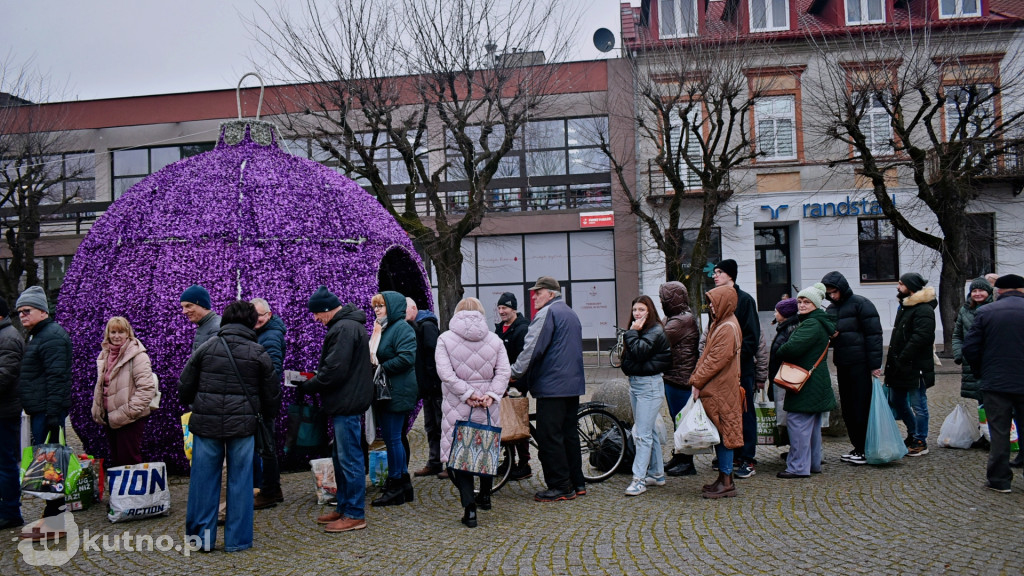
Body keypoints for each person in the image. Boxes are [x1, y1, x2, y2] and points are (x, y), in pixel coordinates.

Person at [178, 300, 280, 552]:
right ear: (251, 322)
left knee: (203, 481)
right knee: (241, 483)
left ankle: (201, 539)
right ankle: (238, 540)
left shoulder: (207, 347)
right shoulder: (258, 352)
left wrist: (199, 403)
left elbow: (184, 386)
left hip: (206, 424)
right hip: (243, 427)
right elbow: (271, 395)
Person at [300, 286, 373, 532]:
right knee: (342, 459)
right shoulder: (348, 326)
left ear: (326, 309)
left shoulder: (344, 328)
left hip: (346, 403)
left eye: (316, 313)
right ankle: (344, 507)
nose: (315, 319)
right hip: (346, 401)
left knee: (349, 460)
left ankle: (354, 513)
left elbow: (335, 370)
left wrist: (311, 384)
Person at [435, 297, 511, 527]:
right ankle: (485, 496)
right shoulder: (495, 339)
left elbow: (446, 374)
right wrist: (492, 394)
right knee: (485, 447)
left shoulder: (445, 339)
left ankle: (469, 510)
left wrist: (467, 393)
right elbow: (504, 372)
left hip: (458, 404)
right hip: (488, 405)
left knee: (461, 455)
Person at [510, 276, 586, 502]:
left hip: (552, 387)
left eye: (538, 292)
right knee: (569, 434)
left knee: (550, 437)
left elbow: (532, 349)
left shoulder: (547, 313)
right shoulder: (570, 313)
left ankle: (560, 486)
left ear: (551, 294)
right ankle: (577, 483)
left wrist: (514, 373)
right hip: (571, 385)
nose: (534, 297)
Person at [16, 286, 72, 541]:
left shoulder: (51, 336)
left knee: (52, 468)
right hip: (41, 410)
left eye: (26, 310)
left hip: (48, 412)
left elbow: (57, 377)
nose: (22, 315)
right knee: (48, 467)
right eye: (19, 312)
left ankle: (55, 521)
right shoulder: (39, 335)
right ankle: (51, 517)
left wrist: (52, 415)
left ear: (42, 311)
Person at [963, 274, 1024, 492]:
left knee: (999, 432)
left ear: (998, 291)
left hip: (995, 382)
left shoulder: (986, 312)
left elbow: (970, 347)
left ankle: (1000, 480)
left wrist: (981, 372)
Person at [821, 271, 883, 466]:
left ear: (842, 288)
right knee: (848, 408)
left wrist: (875, 365)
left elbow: (874, 335)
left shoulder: (861, 304)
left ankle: (864, 448)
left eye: (834, 292)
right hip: (843, 363)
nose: (832, 296)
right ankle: (857, 446)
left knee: (860, 407)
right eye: (829, 293)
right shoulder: (831, 309)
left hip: (860, 364)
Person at [775, 284, 837, 478]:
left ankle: (797, 467)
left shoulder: (811, 324)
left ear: (816, 304)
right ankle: (812, 464)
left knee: (798, 424)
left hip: (805, 383)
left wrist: (783, 347)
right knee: (811, 428)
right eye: (800, 301)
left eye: (807, 302)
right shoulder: (818, 321)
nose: (801, 305)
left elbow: (788, 349)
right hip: (815, 381)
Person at [688, 285, 743, 499]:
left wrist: (696, 381)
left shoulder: (727, 327)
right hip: (720, 388)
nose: (710, 305)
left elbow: (714, 360)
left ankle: (727, 481)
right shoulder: (722, 323)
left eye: (714, 302)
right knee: (721, 434)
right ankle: (723, 478)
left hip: (721, 389)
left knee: (724, 434)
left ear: (724, 303)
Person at [369, 291, 418, 507]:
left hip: (397, 391)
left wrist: (381, 369)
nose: (376, 310)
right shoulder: (383, 328)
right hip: (387, 390)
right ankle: (403, 484)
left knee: (393, 439)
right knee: (392, 438)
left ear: (392, 307)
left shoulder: (401, 328)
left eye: (380, 306)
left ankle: (396, 484)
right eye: (375, 306)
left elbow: (407, 358)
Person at [619, 295, 672, 496]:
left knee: (641, 435)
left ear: (649, 311)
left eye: (641, 309)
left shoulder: (655, 330)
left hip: (649, 386)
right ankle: (657, 473)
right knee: (649, 431)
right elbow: (629, 358)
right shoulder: (641, 331)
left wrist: (632, 333)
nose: (637, 313)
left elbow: (639, 352)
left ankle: (638, 480)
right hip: (637, 384)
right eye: (635, 310)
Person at [713, 259, 760, 478]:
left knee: (745, 412)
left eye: (719, 272)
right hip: (723, 370)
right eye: (714, 272)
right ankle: (734, 454)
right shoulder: (717, 300)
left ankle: (748, 458)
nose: (715, 276)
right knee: (727, 414)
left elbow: (752, 338)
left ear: (730, 275)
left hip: (741, 369)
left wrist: (734, 358)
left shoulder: (745, 300)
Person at [90, 316, 157, 467]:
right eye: (113, 332)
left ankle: (134, 484)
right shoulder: (105, 354)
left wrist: (128, 412)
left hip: (130, 419)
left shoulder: (138, 356)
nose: (117, 336)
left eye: (121, 332)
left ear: (128, 333)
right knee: (117, 461)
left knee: (129, 461)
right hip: (110, 417)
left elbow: (146, 389)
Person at [884, 272, 937, 457]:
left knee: (918, 405)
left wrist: (903, 357)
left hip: (915, 366)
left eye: (901, 284)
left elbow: (921, 337)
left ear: (911, 286)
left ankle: (920, 440)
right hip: (900, 365)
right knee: (896, 400)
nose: (898, 287)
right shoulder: (905, 306)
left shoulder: (924, 309)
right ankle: (913, 433)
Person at [659, 281, 699, 477]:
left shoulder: (682, 320)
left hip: (681, 378)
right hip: (673, 376)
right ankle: (679, 455)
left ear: (672, 299)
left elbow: (658, 340)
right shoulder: (675, 318)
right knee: (677, 420)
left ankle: (687, 462)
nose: (661, 302)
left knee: (683, 420)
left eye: (663, 298)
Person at [250, 298, 286, 510]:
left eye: (260, 316)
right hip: (263, 398)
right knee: (265, 444)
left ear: (269, 315)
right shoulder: (262, 333)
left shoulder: (270, 336)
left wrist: (263, 398)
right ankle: (271, 489)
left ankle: (269, 491)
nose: (257, 319)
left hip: (264, 400)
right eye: (253, 316)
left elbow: (272, 372)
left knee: (266, 446)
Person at [494, 292, 532, 481]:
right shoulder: (499, 329)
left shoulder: (522, 329)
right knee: (505, 422)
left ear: (513, 309)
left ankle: (524, 464)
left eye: (505, 308)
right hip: (502, 383)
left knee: (518, 422)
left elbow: (522, 360)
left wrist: (514, 381)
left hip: (516, 384)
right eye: (499, 308)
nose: (502, 311)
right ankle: (509, 460)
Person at [407, 297, 445, 479]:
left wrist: (432, 381)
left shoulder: (426, 326)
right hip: (428, 387)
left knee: (441, 425)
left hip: (435, 386)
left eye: (405, 310)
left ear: (414, 308)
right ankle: (434, 462)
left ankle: (447, 463)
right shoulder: (418, 325)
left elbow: (432, 355)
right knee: (431, 426)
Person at [0, 299, 24, 531]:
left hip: (5, 412)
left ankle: (10, 511)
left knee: (6, 463)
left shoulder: (8, 337)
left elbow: (4, 376)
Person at [768, 298, 800, 453]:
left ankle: (796, 451)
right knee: (786, 417)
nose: (775, 314)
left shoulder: (790, 329)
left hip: (786, 379)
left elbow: (785, 352)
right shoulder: (784, 328)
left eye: (777, 311)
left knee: (789, 417)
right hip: (781, 377)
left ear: (785, 314)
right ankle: (794, 450)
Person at [181, 284, 221, 353]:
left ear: (203, 305)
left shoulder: (217, 328)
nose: (184, 311)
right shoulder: (205, 324)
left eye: (188, 306)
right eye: (183, 307)